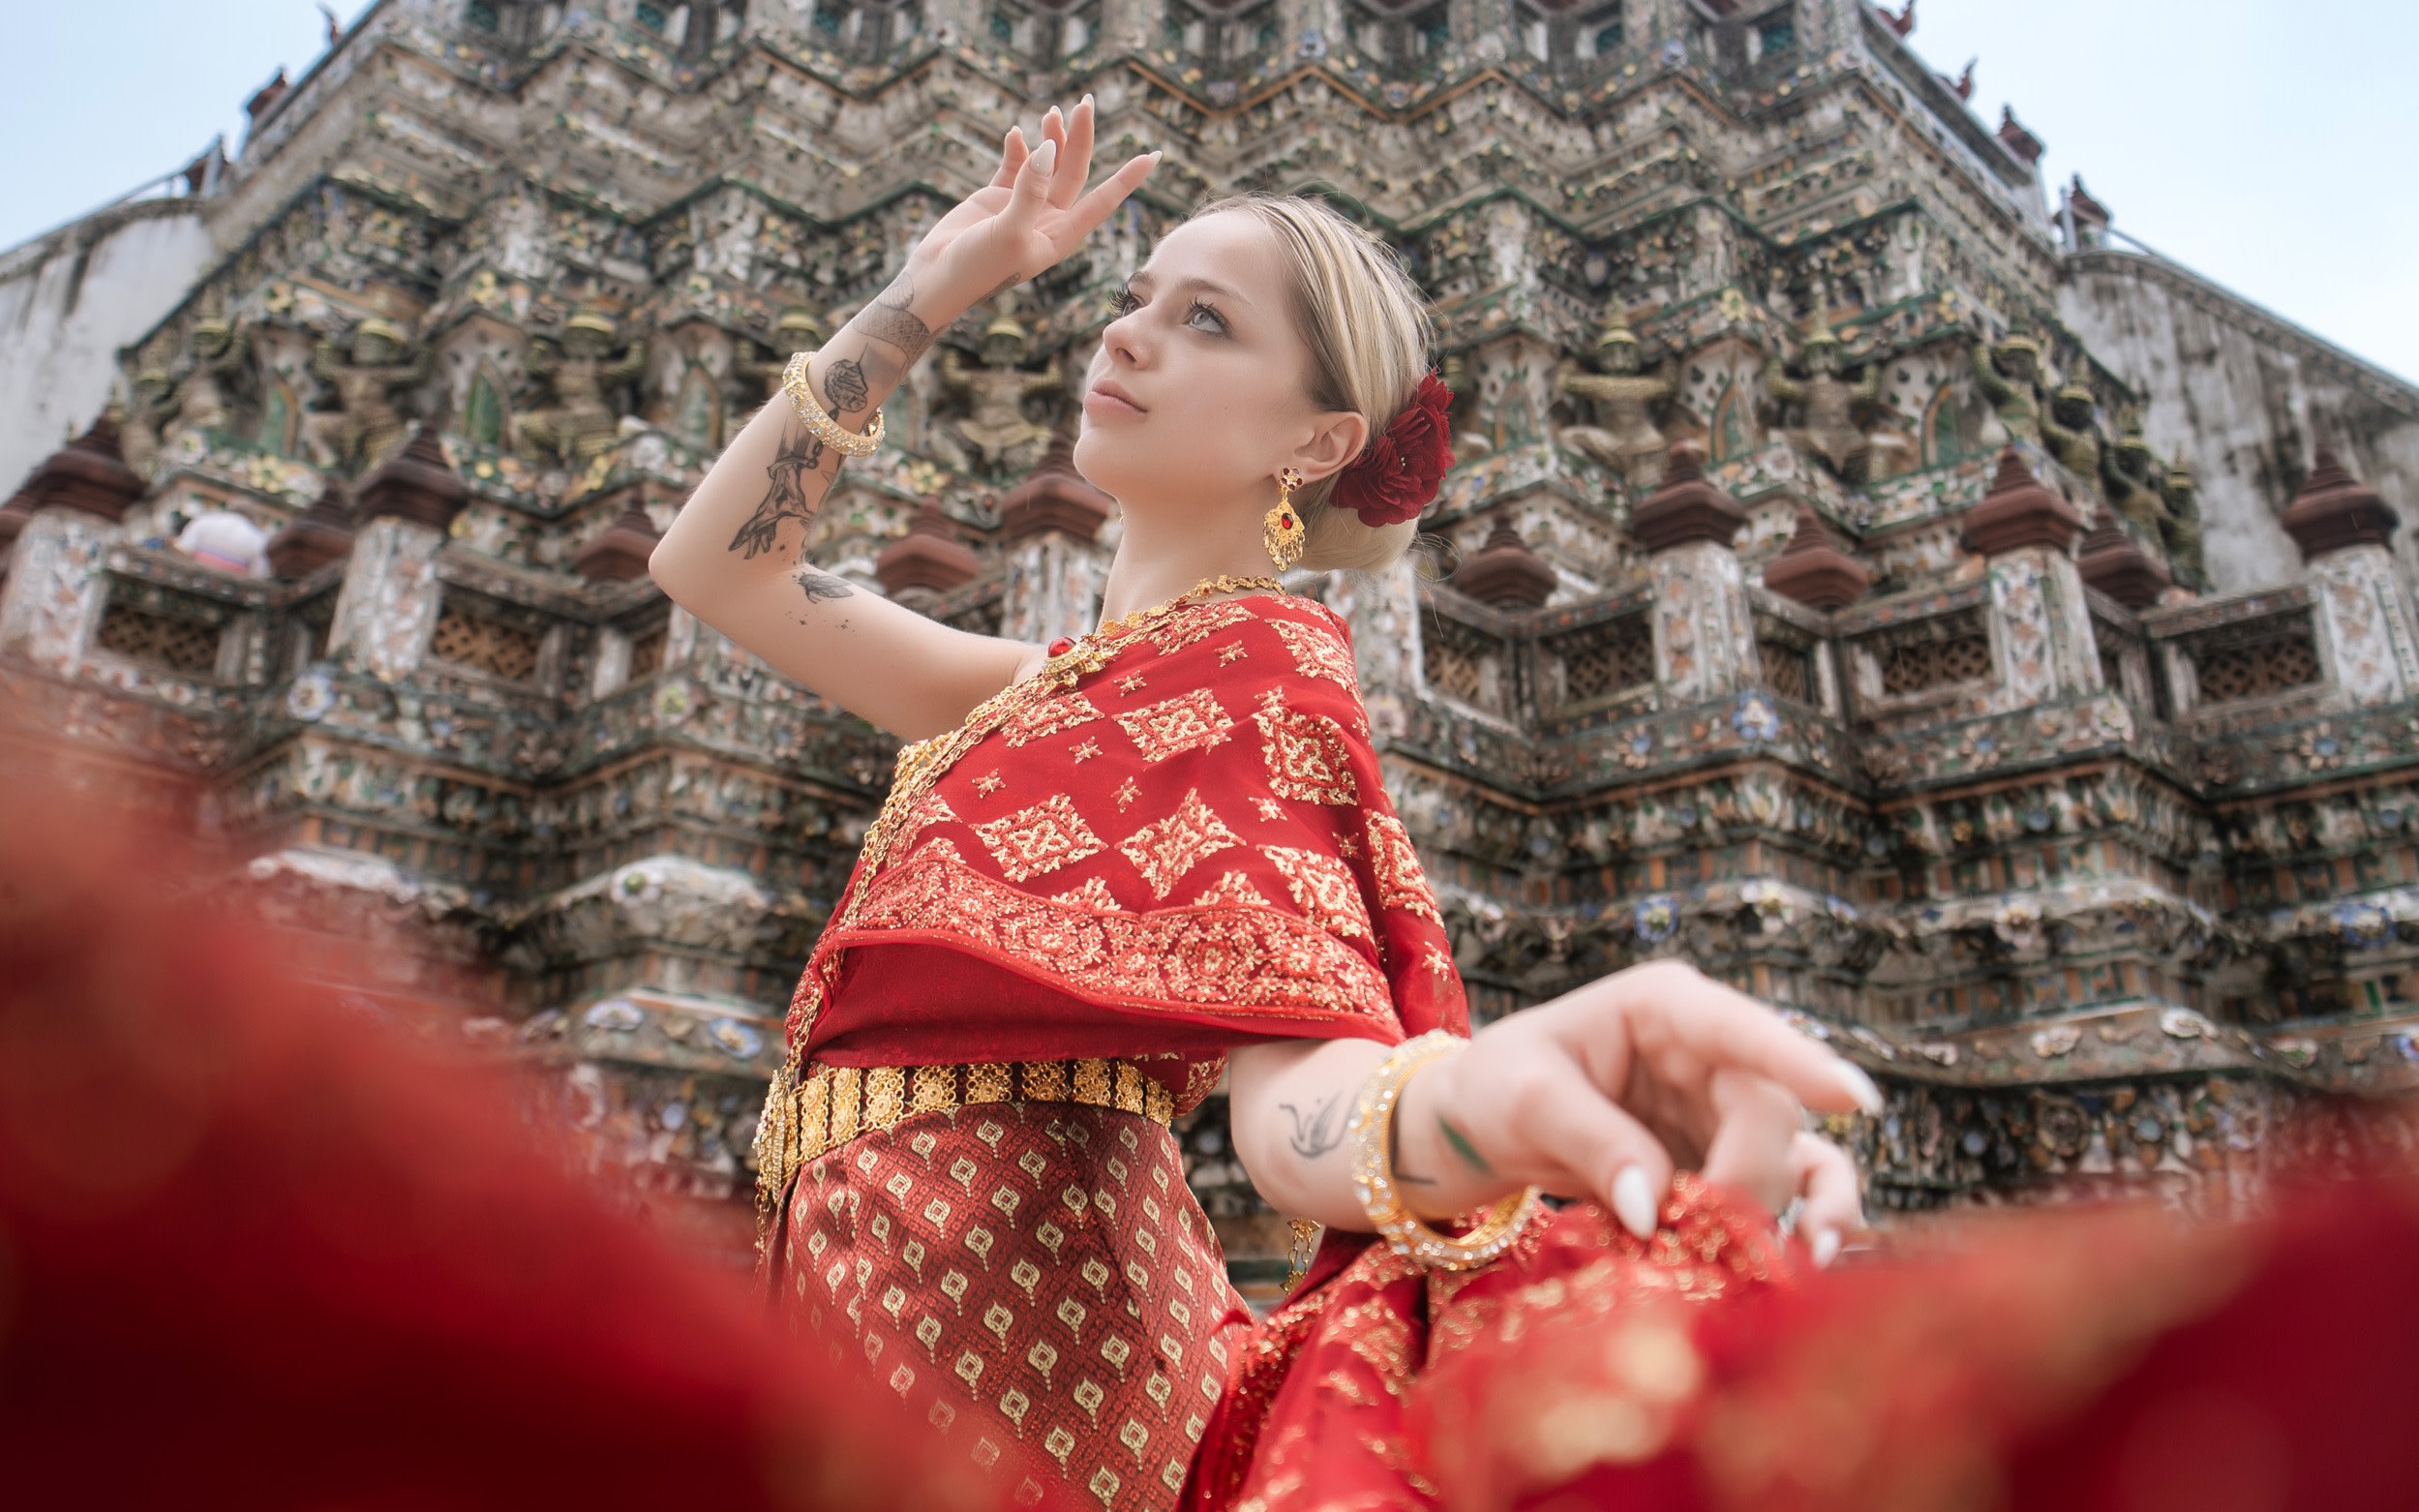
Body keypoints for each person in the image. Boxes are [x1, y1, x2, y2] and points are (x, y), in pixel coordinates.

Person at [647, 97, 1875, 1512]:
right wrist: (929, 293)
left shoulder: (1264, 670)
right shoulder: (1035, 688)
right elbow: (718, 567)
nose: (1125, 333)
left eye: (1207, 320)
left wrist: (1472, 1101)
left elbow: (1301, 1089)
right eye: (1133, 298)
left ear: (1316, 440)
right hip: (883, 1384)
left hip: (1063, 1419)